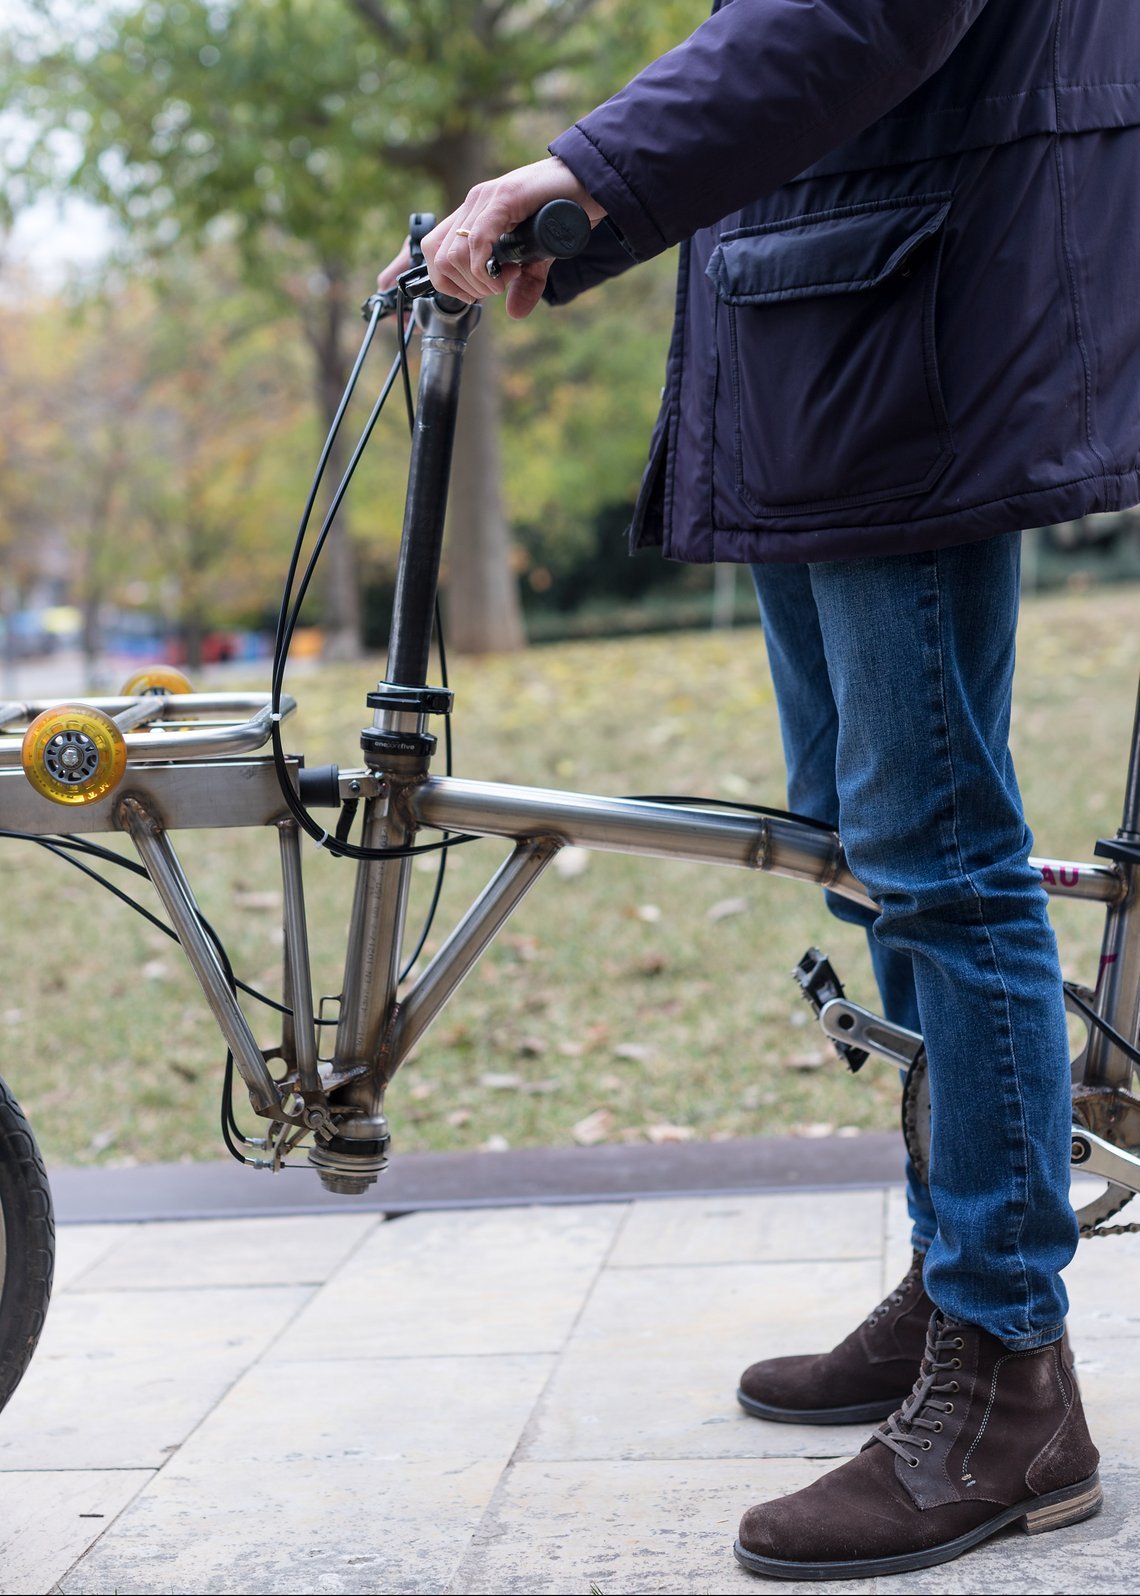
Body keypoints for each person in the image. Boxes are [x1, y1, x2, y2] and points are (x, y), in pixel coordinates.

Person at [379, 0, 1140, 1578]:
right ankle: (958, 1279)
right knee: (871, 849)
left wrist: (584, 163)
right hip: (827, 308)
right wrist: (585, 214)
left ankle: (1010, 1380)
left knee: (939, 856)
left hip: (905, 312)